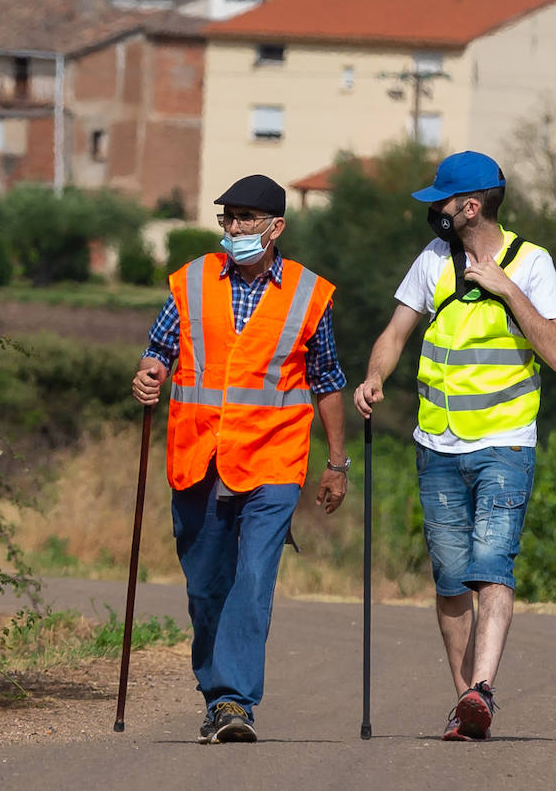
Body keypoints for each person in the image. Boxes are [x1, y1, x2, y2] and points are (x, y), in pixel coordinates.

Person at [352, 151, 556, 741]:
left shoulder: (532, 263)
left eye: (442, 202)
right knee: (451, 580)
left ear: (469, 206)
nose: (436, 211)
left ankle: (483, 690)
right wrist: (374, 377)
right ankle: (466, 704)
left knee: (492, 568)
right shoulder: (432, 259)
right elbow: (395, 333)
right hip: (437, 444)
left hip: (505, 443)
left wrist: (506, 289)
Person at [131, 174, 349, 744]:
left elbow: (327, 380)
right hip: (199, 457)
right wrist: (150, 374)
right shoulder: (193, 280)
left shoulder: (309, 294)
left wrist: (337, 462)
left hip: (274, 461)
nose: (233, 228)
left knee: (252, 581)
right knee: (207, 588)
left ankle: (233, 702)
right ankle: (215, 692)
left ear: (276, 227)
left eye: (246, 219)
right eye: (227, 218)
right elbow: (161, 348)